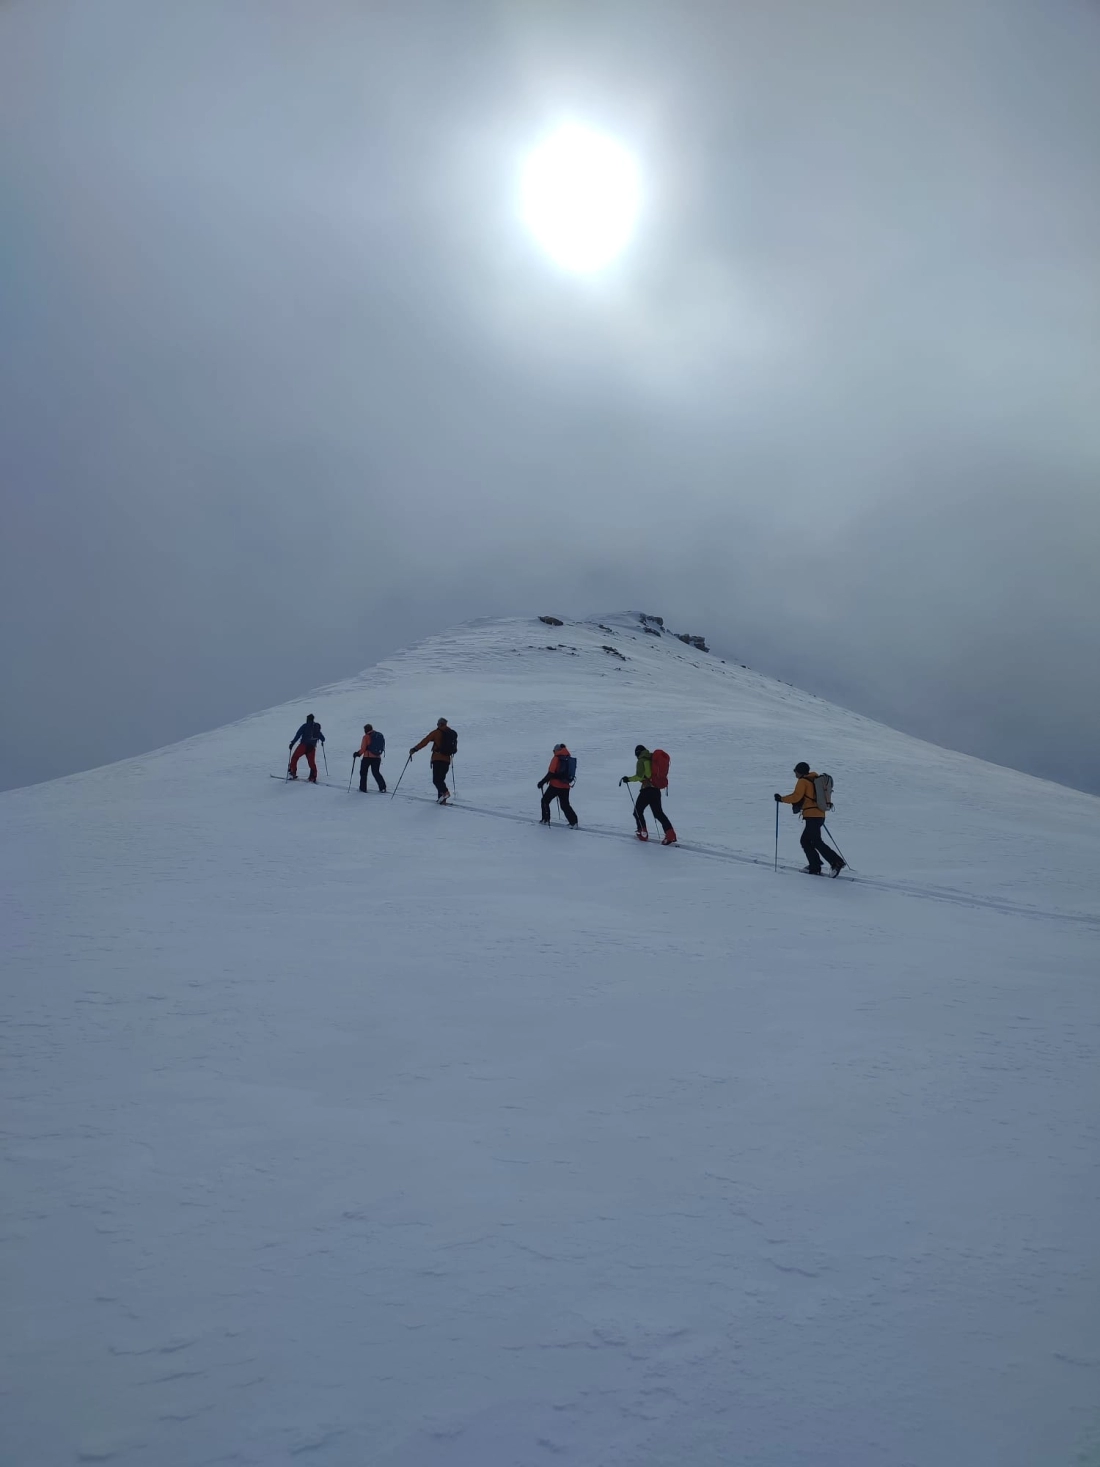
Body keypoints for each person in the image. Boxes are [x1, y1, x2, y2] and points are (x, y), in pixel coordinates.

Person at [775, 762, 845, 876]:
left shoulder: (803, 781)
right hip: (819, 814)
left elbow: (796, 797)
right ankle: (815, 866)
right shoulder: (814, 779)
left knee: (815, 841)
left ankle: (836, 862)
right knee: (806, 841)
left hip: (812, 815)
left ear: (799, 771)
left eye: (795, 771)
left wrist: (781, 799)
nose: (795, 773)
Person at [621, 744, 676, 844]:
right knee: (658, 813)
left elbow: (640, 776)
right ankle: (670, 835)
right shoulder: (652, 759)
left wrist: (628, 779)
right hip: (656, 790)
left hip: (647, 790)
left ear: (637, 753)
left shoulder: (641, 760)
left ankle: (643, 833)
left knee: (637, 811)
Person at [409, 718, 457, 803]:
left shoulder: (437, 732)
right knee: (441, 779)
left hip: (437, 758)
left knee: (436, 780)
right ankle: (442, 799)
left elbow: (425, 741)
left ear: (440, 724)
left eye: (438, 724)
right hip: (447, 760)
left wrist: (415, 749)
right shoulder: (451, 733)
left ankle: (445, 793)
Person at [537, 744, 578, 827]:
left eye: (554, 751)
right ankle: (574, 822)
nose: (553, 752)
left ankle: (545, 819)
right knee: (565, 805)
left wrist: (542, 782)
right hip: (565, 785)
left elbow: (551, 772)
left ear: (556, 750)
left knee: (545, 800)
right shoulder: (567, 757)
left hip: (555, 786)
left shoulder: (556, 758)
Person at [288, 714, 325, 782]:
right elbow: (323, 738)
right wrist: (321, 741)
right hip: (312, 748)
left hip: (303, 746)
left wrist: (292, 743)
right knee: (311, 762)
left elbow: (298, 735)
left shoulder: (305, 726)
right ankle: (313, 777)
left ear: (308, 719)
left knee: (295, 757)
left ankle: (292, 772)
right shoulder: (316, 727)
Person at [354, 724, 387, 792]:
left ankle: (363, 788)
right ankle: (383, 787)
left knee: (363, 772)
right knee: (376, 772)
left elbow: (363, 748)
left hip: (367, 757)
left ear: (366, 730)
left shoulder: (366, 737)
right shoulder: (378, 735)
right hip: (377, 757)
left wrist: (357, 754)